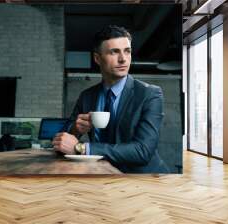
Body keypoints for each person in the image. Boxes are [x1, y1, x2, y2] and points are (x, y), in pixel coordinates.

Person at [52, 25, 169, 173]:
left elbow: (143, 151)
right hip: (103, 175)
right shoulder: (87, 96)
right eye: (114, 52)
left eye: (127, 51)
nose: (123, 59)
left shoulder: (150, 94)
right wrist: (75, 130)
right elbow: (60, 143)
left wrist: (82, 148)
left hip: (145, 180)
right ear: (97, 58)